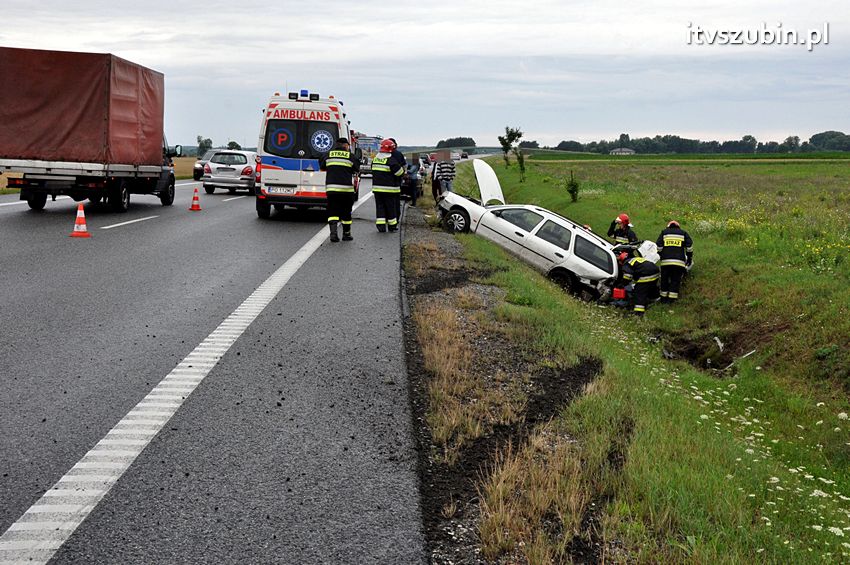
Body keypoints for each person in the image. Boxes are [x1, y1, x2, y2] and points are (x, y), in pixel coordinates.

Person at [319, 137, 360, 242]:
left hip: (332, 190)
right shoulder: (350, 156)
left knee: (332, 211)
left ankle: (333, 234)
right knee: (346, 212)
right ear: (346, 145)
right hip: (346, 190)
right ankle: (346, 235)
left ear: (337, 145)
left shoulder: (328, 155)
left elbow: (322, 166)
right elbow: (357, 169)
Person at [371, 138, 404, 232]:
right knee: (391, 208)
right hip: (390, 189)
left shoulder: (376, 159)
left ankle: (381, 226)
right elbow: (399, 173)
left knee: (380, 207)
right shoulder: (391, 160)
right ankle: (392, 226)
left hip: (377, 189)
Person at [656, 220, 693, 303]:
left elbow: (658, 245)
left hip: (666, 262)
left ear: (668, 226)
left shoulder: (664, 232)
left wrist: (661, 254)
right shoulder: (683, 233)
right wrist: (689, 258)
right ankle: (672, 300)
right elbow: (689, 246)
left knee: (664, 280)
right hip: (679, 263)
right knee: (675, 280)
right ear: (678, 226)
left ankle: (663, 299)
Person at [618, 251, 659, 316]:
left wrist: (623, 284)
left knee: (639, 292)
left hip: (646, 274)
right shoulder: (636, 259)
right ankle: (655, 299)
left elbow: (627, 276)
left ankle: (638, 312)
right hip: (655, 272)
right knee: (650, 287)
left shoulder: (626, 263)